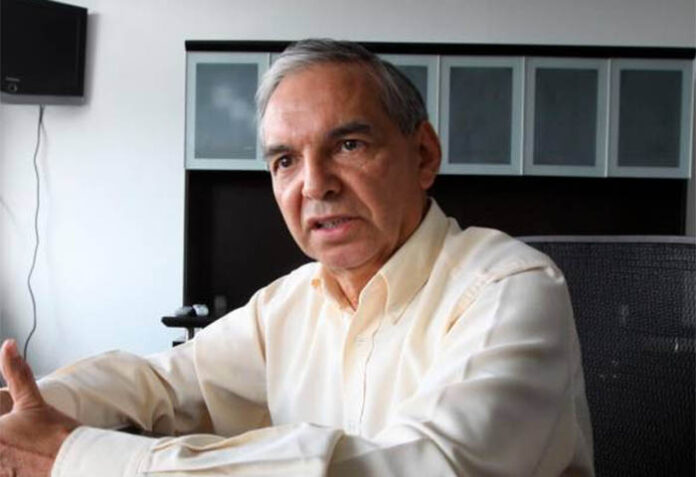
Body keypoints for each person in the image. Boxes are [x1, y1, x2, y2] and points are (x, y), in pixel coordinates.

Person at [0, 39, 594, 476]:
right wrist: (25, 411)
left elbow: (430, 466)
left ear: (423, 155)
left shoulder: (511, 287)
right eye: (285, 160)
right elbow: (161, 382)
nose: (314, 185)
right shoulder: (288, 304)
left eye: (349, 145)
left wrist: (78, 458)